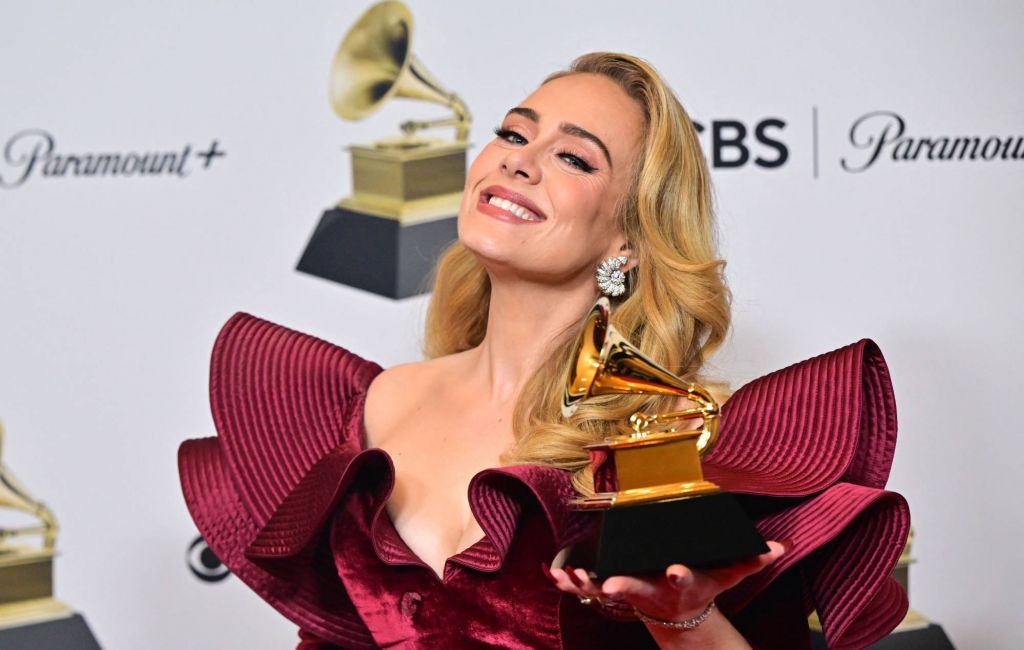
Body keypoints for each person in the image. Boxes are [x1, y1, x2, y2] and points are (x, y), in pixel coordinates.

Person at [179, 53, 910, 649]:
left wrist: (682, 617)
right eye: (512, 133)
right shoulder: (367, 403)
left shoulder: (667, 436)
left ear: (628, 236)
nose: (519, 162)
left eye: (574, 158)